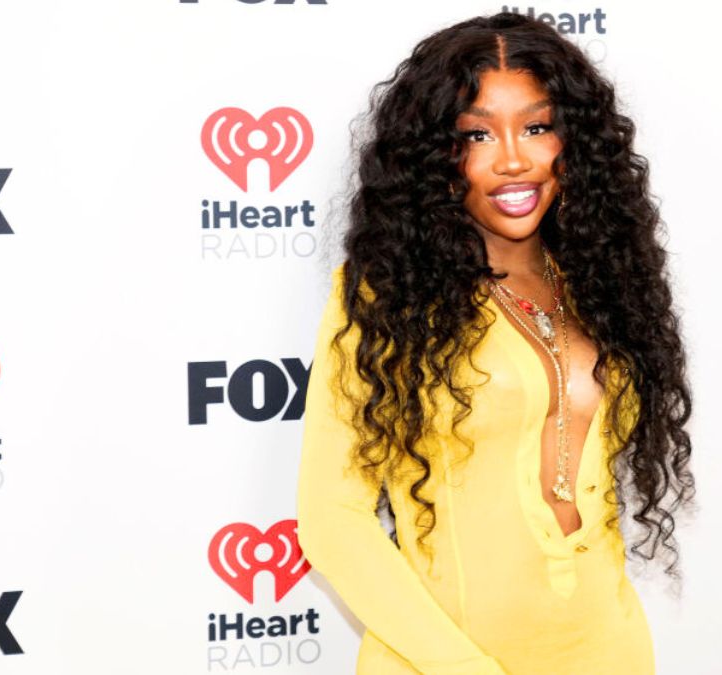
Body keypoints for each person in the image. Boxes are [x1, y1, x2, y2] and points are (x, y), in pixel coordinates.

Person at [297, 12, 693, 674]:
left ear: (576, 140)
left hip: (606, 651)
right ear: (433, 155)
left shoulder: (604, 283)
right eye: (476, 133)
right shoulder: (387, 295)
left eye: (538, 126)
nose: (514, 157)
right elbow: (332, 518)